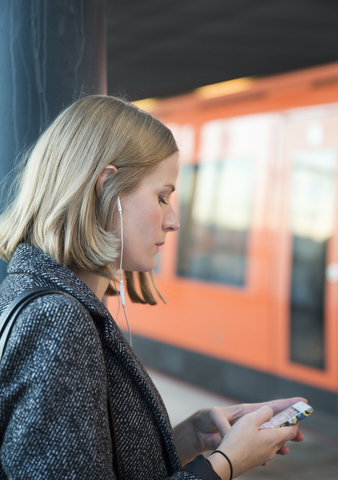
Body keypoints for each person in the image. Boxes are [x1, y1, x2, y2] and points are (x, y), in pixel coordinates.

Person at [0, 95, 304, 480]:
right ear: (106, 187)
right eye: (162, 197)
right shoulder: (57, 319)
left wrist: (189, 438)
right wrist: (224, 465)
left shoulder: (45, 296)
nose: (173, 220)